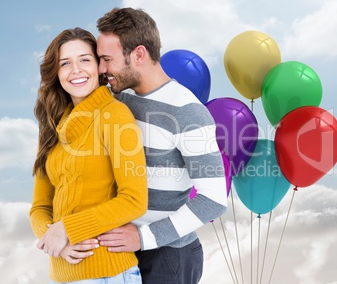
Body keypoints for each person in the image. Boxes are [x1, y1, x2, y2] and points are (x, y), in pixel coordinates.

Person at [92, 7, 228, 284]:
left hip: (167, 256)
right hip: (118, 250)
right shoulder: (117, 97)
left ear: (139, 54)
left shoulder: (187, 111)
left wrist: (143, 237)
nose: (101, 69)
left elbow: (213, 200)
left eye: (107, 59)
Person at [29, 27, 148, 283]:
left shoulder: (115, 116)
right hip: (62, 274)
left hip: (110, 274)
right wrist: (55, 240)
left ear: (99, 67)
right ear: (56, 72)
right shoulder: (51, 127)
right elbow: (39, 207)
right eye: (65, 63)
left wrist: (67, 229)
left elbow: (134, 200)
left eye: (84, 60)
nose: (76, 70)